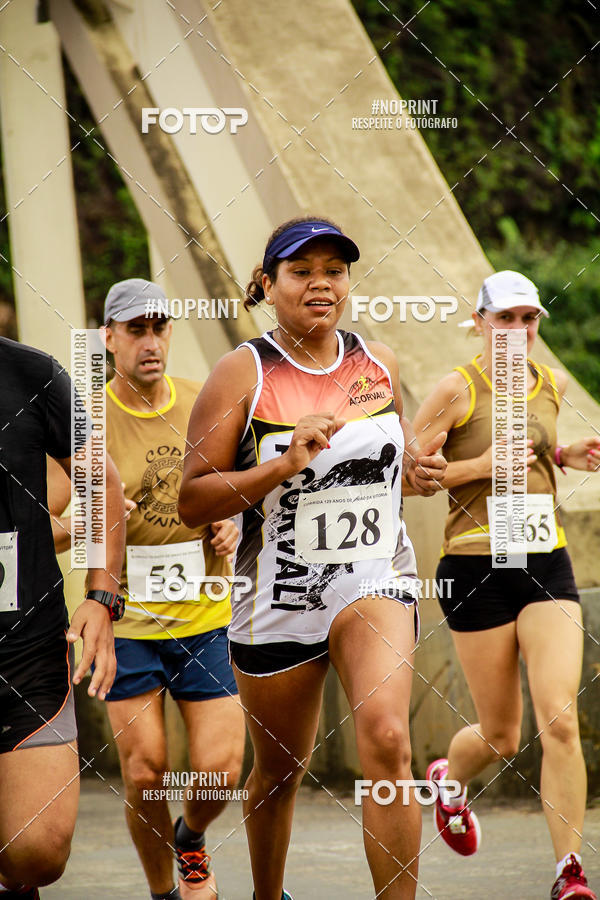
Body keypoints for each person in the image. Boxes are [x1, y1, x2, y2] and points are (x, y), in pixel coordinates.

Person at [178, 216, 447, 900]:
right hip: (280, 600)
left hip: (374, 581)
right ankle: (267, 895)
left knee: (388, 739)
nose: (321, 284)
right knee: (280, 771)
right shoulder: (244, 372)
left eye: (334, 270)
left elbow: (401, 455)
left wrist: (418, 469)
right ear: (269, 285)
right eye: (302, 272)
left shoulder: (376, 361)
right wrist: (282, 465)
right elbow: (193, 500)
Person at [411, 271, 600, 899]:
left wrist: (564, 454)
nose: (519, 331)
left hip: (545, 559)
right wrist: (480, 466)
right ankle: (448, 779)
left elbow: (535, 450)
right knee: (501, 734)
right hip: (475, 568)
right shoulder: (455, 390)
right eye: (506, 319)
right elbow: (409, 477)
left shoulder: (552, 382)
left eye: (529, 320)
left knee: (561, 721)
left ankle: (568, 873)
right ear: (481, 321)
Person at [102, 280, 245, 900]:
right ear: (109, 338)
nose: (150, 340)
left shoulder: (200, 404)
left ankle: (189, 837)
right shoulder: (86, 420)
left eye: (159, 327)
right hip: (128, 624)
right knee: (145, 769)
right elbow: (54, 519)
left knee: (221, 770)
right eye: (136, 329)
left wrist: (234, 518)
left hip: (205, 615)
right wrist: (98, 519)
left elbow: (240, 486)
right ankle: (165, 889)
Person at [0, 336, 126, 899]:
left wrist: (101, 599)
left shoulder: (31, 373)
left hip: (27, 643)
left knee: (38, 852)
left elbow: (103, 485)